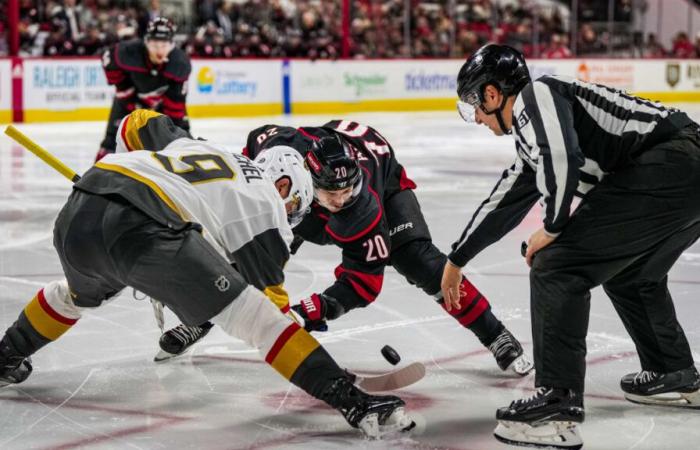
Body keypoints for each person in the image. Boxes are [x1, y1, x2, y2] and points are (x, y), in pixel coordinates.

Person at [0, 110, 414, 439]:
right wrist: (327, 372)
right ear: (290, 190)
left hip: (81, 207)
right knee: (254, 318)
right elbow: (274, 321)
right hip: (143, 231)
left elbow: (136, 123)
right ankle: (352, 403)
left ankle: (5, 357)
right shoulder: (270, 214)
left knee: (74, 295)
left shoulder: (201, 146)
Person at [443, 44, 700, 449]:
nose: (475, 117)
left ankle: (556, 406)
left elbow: (560, 156)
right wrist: (457, 259)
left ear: (493, 95)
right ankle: (673, 372)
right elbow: (505, 200)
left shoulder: (536, 95)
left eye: (474, 104)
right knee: (633, 275)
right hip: (684, 168)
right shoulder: (532, 131)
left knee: (556, 264)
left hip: (672, 163)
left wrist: (553, 226)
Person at [161, 120, 533, 376]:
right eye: (331, 193)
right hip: (312, 187)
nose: (340, 200)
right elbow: (258, 143)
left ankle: (496, 334)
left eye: (346, 191)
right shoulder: (280, 155)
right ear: (305, 178)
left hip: (385, 183)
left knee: (420, 262)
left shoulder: (361, 206)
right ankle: (200, 317)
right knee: (253, 247)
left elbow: (364, 283)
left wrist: (312, 310)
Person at [96, 17, 191, 161]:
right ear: (146, 42)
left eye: (164, 45)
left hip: (161, 105)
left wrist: (174, 133)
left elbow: (175, 108)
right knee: (111, 142)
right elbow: (108, 61)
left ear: (172, 45)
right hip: (129, 101)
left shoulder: (180, 63)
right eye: (154, 45)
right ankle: (98, 179)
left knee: (180, 141)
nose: (159, 51)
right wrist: (127, 94)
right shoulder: (129, 51)